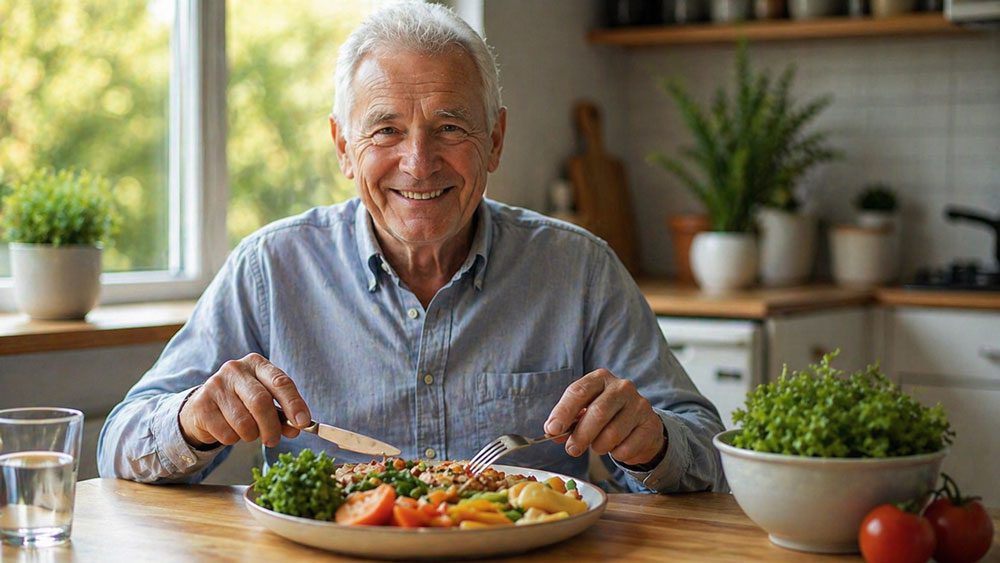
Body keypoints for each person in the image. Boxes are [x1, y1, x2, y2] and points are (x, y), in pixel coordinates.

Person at [98, 1, 726, 494]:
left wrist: (654, 444)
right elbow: (119, 443)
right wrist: (189, 421)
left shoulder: (580, 269)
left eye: (450, 128)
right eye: (386, 130)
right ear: (343, 147)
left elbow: (708, 453)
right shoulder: (271, 269)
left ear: (496, 139)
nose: (418, 163)